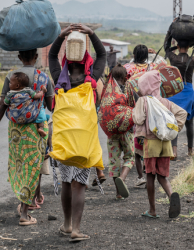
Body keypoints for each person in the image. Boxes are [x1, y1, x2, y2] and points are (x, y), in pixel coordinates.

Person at [48, 23, 106, 242]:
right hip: (83, 139)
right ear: (85, 56)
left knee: (66, 181)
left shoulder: (59, 78)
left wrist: (61, 36)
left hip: (63, 137)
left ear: (67, 58)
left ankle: (66, 224)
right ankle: (76, 230)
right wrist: (91, 34)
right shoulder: (92, 80)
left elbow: (52, 55)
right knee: (78, 183)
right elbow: (101, 54)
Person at [0, 49, 54, 226]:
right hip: (36, 128)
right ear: (36, 57)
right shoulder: (43, 77)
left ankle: (28, 202)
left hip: (16, 131)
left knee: (20, 166)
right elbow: (51, 105)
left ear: (19, 57)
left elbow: (2, 104)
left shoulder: (12, 76)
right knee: (33, 167)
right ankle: (25, 213)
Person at [132, 70, 187, 219]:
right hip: (166, 143)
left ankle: (152, 210)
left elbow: (138, 119)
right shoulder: (166, 102)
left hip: (151, 143)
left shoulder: (143, 101)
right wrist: (175, 129)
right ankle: (171, 196)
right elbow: (182, 113)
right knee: (162, 176)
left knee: (150, 176)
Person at [164, 32, 194, 157]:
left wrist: (169, 33)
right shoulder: (193, 60)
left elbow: (166, 47)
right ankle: (190, 150)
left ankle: (174, 151)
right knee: (189, 122)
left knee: (174, 121)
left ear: (178, 47)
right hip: (188, 93)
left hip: (175, 92)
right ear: (189, 47)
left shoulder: (173, 58)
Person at [98, 64, 135, 199]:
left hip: (111, 131)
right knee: (129, 157)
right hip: (125, 130)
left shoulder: (107, 90)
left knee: (114, 160)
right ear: (125, 77)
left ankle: (118, 193)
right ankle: (123, 178)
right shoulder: (128, 87)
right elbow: (132, 105)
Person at [124, 44, 154, 188]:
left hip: (134, 109)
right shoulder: (152, 68)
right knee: (148, 139)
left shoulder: (128, 69)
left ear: (134, 55)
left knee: (136, 143)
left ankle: (140, 176)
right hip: (151, 108)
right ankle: (147, 170)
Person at [3, 72, 48, 137]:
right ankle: (40, 128)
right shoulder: (28, 90)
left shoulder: (10, 94)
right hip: (29, 116)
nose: (9, 84)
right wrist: (42, 91)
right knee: (40, 109)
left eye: (10, 83)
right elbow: (37, 96)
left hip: (14, 118)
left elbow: (5, 103)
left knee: (8, 109)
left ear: (17, 86)